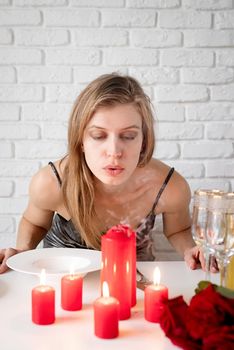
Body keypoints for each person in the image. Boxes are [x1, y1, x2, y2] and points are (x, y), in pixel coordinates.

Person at [0, 73, 215, 274]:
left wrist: (190, 250)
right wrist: (22, 251)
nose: (114, 152)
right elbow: (35, 222)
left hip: (133, 285)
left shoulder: (168, 187)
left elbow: (178, 230)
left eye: (129, 136)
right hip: (62, 283)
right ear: (81, 141)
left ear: (144, 141)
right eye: (98, 135)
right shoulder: (51, 182)